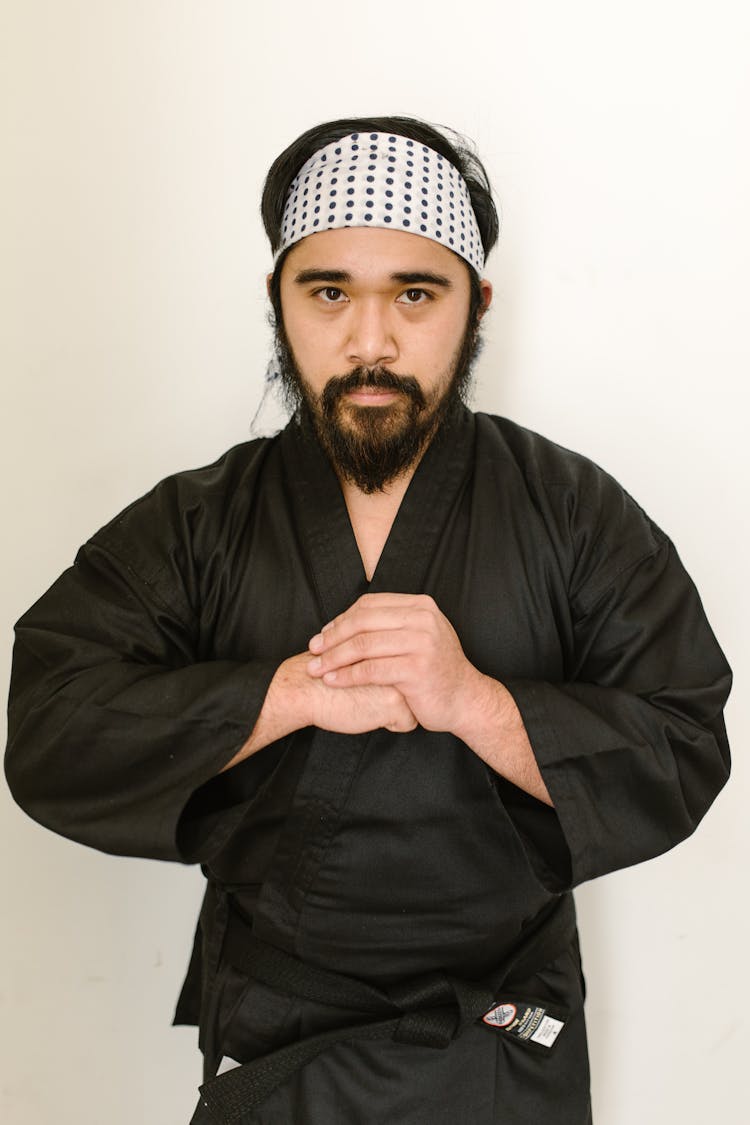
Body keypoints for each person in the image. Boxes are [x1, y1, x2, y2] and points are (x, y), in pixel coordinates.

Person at [5, 116, 731, 1125]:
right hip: (280, 1032)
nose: (371, 342)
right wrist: (288, 692)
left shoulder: (572, 511)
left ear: (476, 306)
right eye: (330, 291)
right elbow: (50, 726)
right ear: (279, 300)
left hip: (498, 1039)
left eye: (416, 294)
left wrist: (474, 702)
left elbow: (686, 740)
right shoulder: (197, 522)